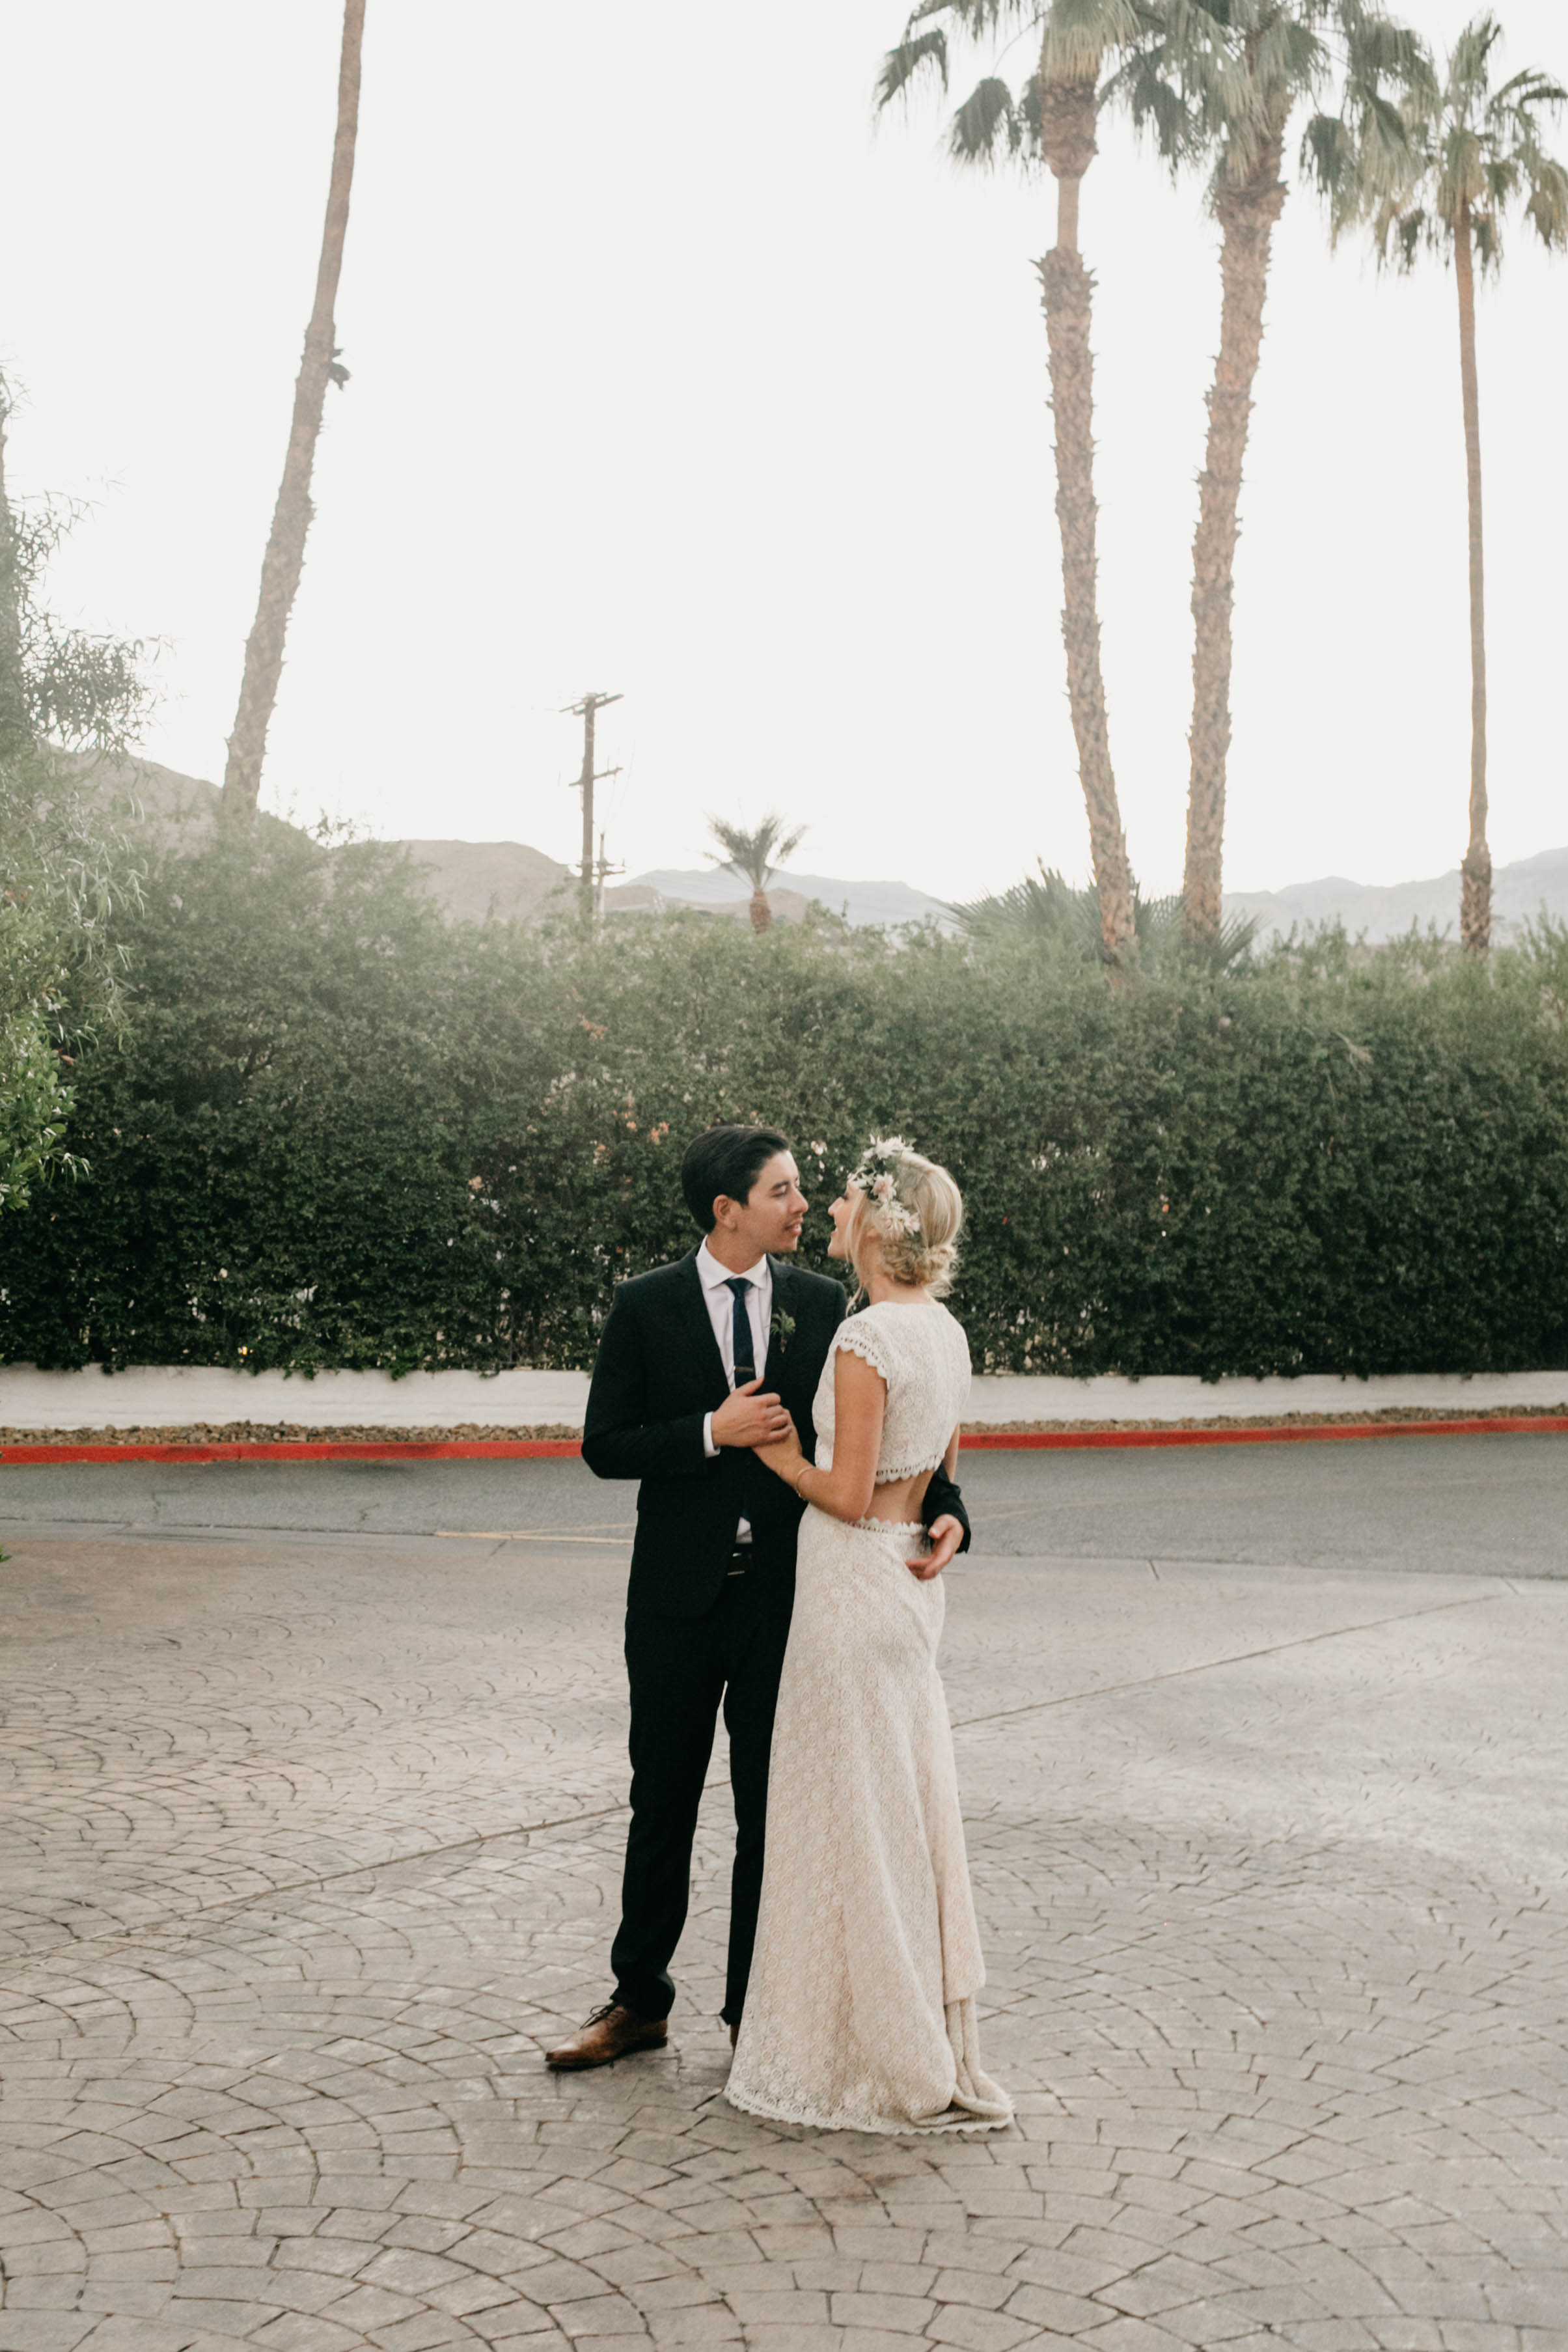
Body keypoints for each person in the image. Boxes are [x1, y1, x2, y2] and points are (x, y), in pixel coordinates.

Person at [543, 1123, 970, 2071]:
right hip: (673, 1601)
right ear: (725, 1209)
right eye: (781, 1190)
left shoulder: (826, 1304)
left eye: (804, 1188)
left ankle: (754, 2013)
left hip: (792, 1600)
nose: (801, 1204)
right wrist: (711, 1429)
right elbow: (605, 1443)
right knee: (661, 1801)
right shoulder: (645, 1303)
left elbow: (903, 1429)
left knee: (769, 1810)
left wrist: (950, 1510)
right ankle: (638, 1999)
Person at [726, 1137, 1011, 2133]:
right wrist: (944, 1512)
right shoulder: (944, 1331)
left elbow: (846, 1494)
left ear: (881, 1224)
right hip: (906, 1587)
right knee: (897, 1804)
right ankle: (901, 2020)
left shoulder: (864, 1338)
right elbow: (939, 1465)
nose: (829, 1209)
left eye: (845, 1197)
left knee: (844, 1812)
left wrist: (781, 1457)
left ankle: (856, 2040)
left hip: (849, 1586)